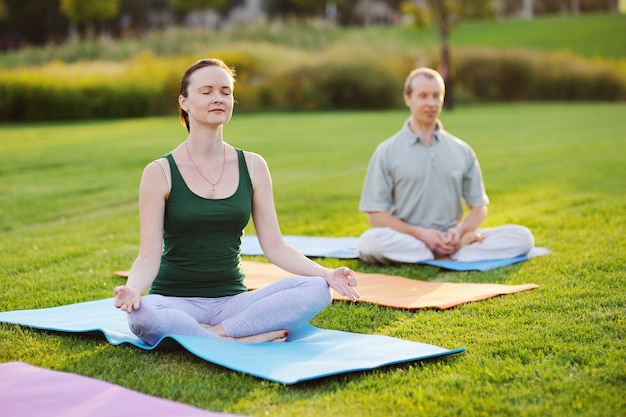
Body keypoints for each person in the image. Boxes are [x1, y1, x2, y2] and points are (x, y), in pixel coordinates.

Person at [114, 58, 359, 346]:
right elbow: (148, 256)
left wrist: (327, 274)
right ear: (184, 102)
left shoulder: (253, 165)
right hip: (175, 301)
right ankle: (241, 337)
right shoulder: (159, 172)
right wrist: (133, 289)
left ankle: (217, 334)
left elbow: (276, 247)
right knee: (143, 316)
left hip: (233, 301)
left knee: (317, 289)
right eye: (206, 92)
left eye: (225, 92)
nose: (218, 98)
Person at [356, 67, 534, 265]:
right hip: (410, 238)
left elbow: (478, 208)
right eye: (423, 96)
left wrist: (460, 232)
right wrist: (421, 234)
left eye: (436, 96)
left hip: (453, 238)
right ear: (408, 98)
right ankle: (446, 253)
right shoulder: (386, 151)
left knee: (523, 237)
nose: (431, 103)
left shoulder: (462, 150)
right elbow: (375, 215)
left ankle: (448, 250)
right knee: (369, 243)